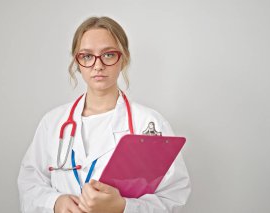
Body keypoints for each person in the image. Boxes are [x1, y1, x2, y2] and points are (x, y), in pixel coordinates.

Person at [17, 16, 191, 213]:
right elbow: (29, 182)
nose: (97, 65)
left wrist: (124, 207)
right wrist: (54, 203)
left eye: (108, 55)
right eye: (87, 56)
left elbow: (173, 196)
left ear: (123, 58)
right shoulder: (53, 122)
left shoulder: (149, 123)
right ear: (77, 62)